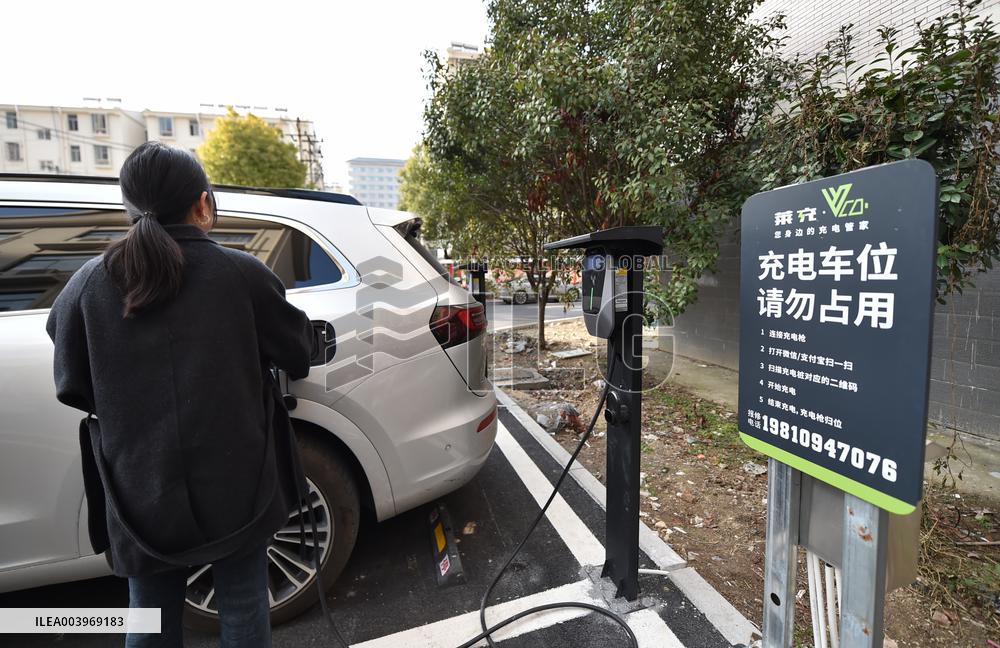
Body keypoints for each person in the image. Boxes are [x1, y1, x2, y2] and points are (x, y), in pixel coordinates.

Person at [46, 142, 317, 647]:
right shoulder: (242, 274)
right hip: (240, 483)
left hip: (139, 491)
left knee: (147, 617)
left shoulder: (87, 285)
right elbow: (298, 352)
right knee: (241, 602)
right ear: (202, 202)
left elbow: (73, 384)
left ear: (129, 209)